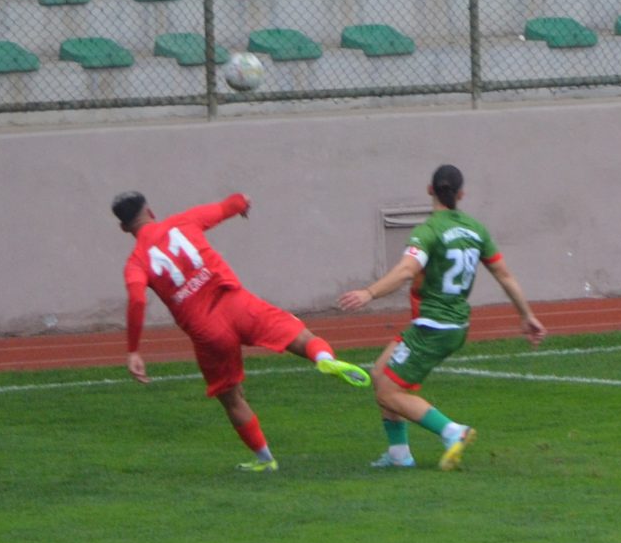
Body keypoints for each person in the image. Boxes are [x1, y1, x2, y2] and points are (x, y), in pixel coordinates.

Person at [116, 190, 370, 472]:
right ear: (150, 211)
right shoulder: (183, 221)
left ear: (124, 227)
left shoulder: (136, 262)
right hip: (236, 303)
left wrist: (133, 350)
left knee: (231, 397)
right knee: (299, 335)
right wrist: (242, 204)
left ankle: (265, 459)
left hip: (207, 330)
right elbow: (230, 204)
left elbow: (137, 301)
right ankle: (324, 358)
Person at [337, 164, 545, 469]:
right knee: (381, 373)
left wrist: (369, 293)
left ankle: (452, 431)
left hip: (433, 327)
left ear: (429, 190)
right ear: (461, 194)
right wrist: (527, 315)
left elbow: (406, 270)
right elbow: (504, 274)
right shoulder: (476, 229)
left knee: (388, 392)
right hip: (452, 324)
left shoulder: (429, 231)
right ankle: (399, 454)